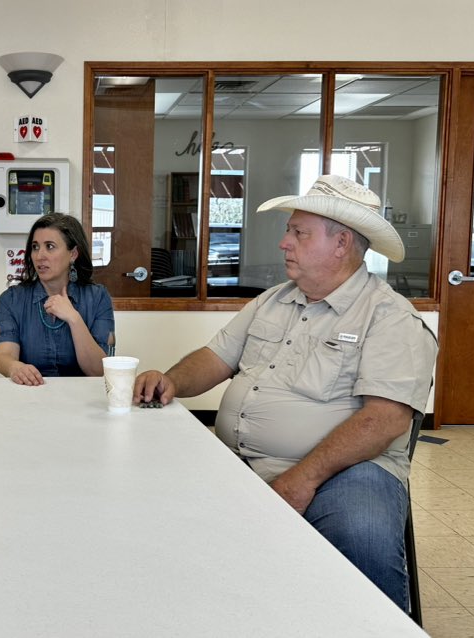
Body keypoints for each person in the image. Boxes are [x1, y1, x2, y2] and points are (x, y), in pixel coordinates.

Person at [133, 175, 437, 611]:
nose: (284, 243)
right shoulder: (275, 300)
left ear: (341, 243)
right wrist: (173, 380)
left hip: (348, 471)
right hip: (241, 460)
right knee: (156, 513)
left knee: (360, 536)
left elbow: (385, 420)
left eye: (298, 232)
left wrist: (302, 478)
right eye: (289, 231)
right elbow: (215, 357)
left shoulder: (390, 318)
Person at [0, 213, 115, 385]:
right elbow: (4, 356)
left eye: (50, 246)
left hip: (82, 401)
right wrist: (15, 367)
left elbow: (98, 370)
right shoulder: (11, 299)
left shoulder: (98, 297)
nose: (39, 256)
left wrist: (73, 318)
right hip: (30, 395)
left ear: (73, 254)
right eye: (35, 247)